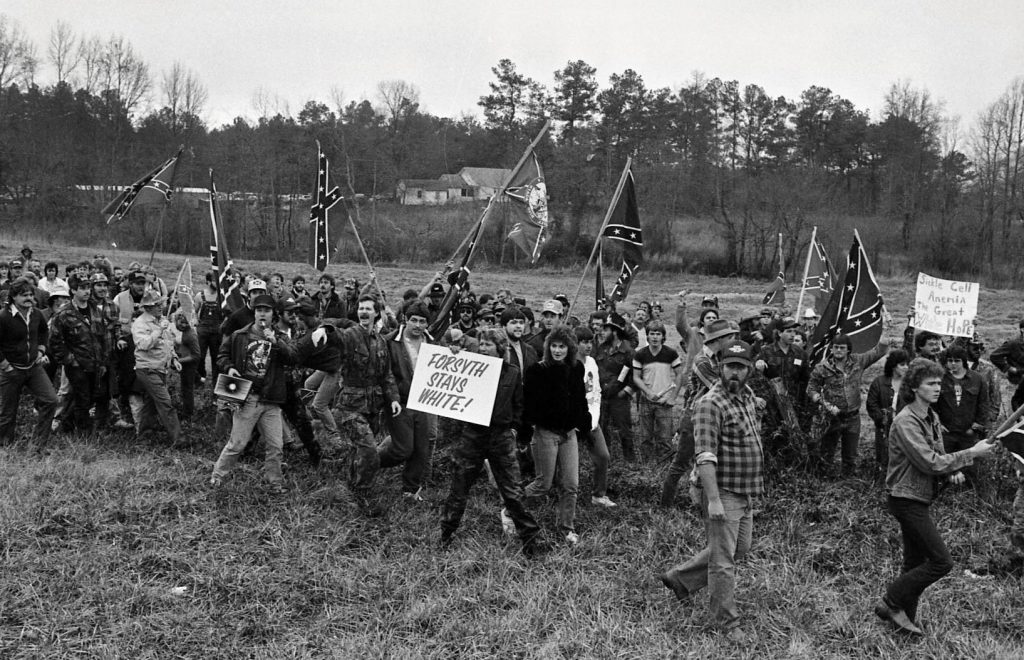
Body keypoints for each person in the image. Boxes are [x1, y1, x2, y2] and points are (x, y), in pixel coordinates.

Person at [875, 358, 996, 637]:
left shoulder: (931, 416)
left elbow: (938, 459)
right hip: (905, 499)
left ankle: (904, 624)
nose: (938, 388)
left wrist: (951, 471)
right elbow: (929, 462)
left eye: (940, 383)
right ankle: (890, 602)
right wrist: (971, 454)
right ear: (915, 387)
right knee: (942, 562)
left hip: (919, 496)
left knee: (913, 564)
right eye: (931, 383)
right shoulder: (906, 421)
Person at [659, 340, 764, 644]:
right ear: (720, 367)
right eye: (730, 366)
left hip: (745, 491)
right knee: (723, 561)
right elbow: (705, 455)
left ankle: (680, 578)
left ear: (748, 372)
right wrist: (714, 499)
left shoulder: (745, 396)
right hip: (724, 492)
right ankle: (726, 622)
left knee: (738, 548)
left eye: (741, 367)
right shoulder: (709, 403)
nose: (735, 372)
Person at [439, 328, 549, 558]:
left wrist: (514, 429)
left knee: (513, 491)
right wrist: (453, 353)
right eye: (481, 344)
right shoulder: (469, 367)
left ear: (500, 348)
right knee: (459, 487)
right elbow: (447, 366)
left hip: (501, 437)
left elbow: (519, 405)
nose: (483, 347)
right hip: (473, 435)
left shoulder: (512, 373)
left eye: (489, 344)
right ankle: (446, 535)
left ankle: (530, 540)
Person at [313, 294, 400, 515]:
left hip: (373, 406)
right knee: (370, 450)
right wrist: (324, 330)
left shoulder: (380, 341)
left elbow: (387, 374)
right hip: (350, 407)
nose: (363, 312)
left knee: (357, 449)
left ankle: (351, 485)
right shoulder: (352, 335)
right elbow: (337, 335)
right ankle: (363, 495)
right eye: (361, 308)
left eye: (368, 309)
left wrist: (394, 399)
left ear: (377, 314)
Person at [211, 294, 299, 494]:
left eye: (266, 311)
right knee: (237, 443)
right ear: (254, 312)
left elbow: (293, 358)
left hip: (271, 399)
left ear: (273, 314)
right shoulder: (240, 335)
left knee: (276, 446)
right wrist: (230, 368)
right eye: (259, 310)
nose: (262, 314)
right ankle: (217, 477)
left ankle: (274, 482)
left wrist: (275, 341)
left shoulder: (281, 337)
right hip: (248, 398)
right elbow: (222, 356)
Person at [523, 325, 590, 545]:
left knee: (570, 484)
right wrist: (528, 429)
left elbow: (580, 399)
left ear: (570, 348)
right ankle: (511, 507)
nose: (557, 350)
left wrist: (583, 425)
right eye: (554, 345)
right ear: (548, 346)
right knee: (544, 483)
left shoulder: (576, 368)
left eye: (562, 346)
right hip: (546, 433)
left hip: (569, 433)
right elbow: (529, 405)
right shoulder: (537, 370)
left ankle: (566, 527)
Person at [661, 319, 737, 507]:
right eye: (730, 337)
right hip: (694, 418)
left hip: (710, 417)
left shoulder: (718, 358)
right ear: (720, 339)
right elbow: (721, 388)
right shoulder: (702, 360)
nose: (733, 341)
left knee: (708, 462)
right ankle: (665, 506)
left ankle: (702, 503)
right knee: (680, 464)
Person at [378, 299, 438, 502]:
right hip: (399, 401)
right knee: (403, 448)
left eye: (422, 321)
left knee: (421, 449)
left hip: (423, 401)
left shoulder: (431, 342)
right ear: (405, 319)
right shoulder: (390, 341)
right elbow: (386, 374)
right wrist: (392, 397)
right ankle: (370, 460)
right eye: (414, 320)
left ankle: (410, 489)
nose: (418, 326)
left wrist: (453, 351)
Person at [807, 333, 889, 477]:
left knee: (850, 454)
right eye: (836, 347)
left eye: (842, 348)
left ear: (848, 350)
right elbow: (811, 388)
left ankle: (848, 479)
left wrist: (886, 332)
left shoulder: (858, 361)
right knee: (827, 452)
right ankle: (824, 480)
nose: (838, 350)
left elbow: (879, 351)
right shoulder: (822, 368)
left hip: (853, 417)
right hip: (832, 417)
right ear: (831, 349)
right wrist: (823, 403)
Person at [0, 277, 58, 450]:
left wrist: (40, 350)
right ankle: (5, 447)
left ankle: (38, 445)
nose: (28, 298)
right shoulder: (3, 317)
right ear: (13, 297)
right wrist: (6, 366)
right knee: (7, 413)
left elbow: (43, 331)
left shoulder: (36, 314)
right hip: (11, 370)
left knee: (51, 400)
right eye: (23, 295)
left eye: (31, 295)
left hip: (33, 368)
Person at [49, 274, 106, 433]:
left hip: (94, 362)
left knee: (91, 396)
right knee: (83, 398)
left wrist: (102, 360)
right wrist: (70, 359)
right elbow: (54, 341)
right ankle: (84, 434)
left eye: (88, 287)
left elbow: (101, 335)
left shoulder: (95, 309)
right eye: (82, 288)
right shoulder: (64, 313)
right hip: (77, 364)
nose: (87, 291)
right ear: (73, 290)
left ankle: (66, 425)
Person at [130, 290, 185, 447]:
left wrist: (174, 358)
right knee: (165, 402)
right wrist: (159, 330)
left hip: (161, 369)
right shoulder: (140, 324)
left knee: (151, 404)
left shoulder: (162, 320)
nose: (161, 306)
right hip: (147, 369)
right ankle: (178, 438)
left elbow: (167, 343)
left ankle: (144, 437)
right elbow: (143, 344)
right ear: (147, 307)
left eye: (161, 303)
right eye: (156, 304)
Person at [936, 345, 990, 493]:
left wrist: (976, 427)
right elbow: (932, 404)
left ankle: (968, 497)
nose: (953, 364)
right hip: (946, 431)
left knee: (969, 468)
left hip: (968, 432)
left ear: (964, 361)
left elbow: (984, 404)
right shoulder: (940, 379)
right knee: (944, 466)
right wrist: (938, 424)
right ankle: (944, 495)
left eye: (957, 360)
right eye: (950, 360)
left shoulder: (977, 379)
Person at [575, 326, 616, 507]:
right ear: (574, 344)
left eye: (590, 341)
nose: (588, 345)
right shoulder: (569, 364)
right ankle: (566, 495)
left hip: (592, 419)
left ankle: (599, 494)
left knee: (603, 456)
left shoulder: (591, 362)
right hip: (574, 422)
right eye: (583, 342)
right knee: (569, 462)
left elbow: (596, 390)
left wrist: (595, 415)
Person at [632, 320, 684, 461]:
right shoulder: (640, 354)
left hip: (664, 401)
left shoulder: (671, 354)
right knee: (645, 436)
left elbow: (680, 374)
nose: (655, 337)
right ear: (647, 336)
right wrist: (648, 392)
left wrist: (673, 397)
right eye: (652, 334)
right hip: (646, 401)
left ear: (663, 336)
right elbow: (636, 377)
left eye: (658, 334)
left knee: (665, 436)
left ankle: (664, 464)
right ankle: (646, 466)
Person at [866, 350, 910, 478]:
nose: (906, 367)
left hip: (904, 428)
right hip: (884, 427)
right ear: (893, 365)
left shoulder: (910, 384)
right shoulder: (879, 382)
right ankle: (881, 481)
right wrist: (881, 419)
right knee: (883, 454)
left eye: (907, 364)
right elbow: (871, 404)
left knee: (903, 455)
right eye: (902, 364)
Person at [195, 271, 224, 383]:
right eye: (213, 280)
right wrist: (195, 321)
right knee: (200, 356)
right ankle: (200, 378)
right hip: (202, 329)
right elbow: (194, 312)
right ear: (207, 281)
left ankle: (216, 381)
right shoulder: (199, 296)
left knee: (216, 356)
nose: (217, 283)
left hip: (217, 330)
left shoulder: (221, 296)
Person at [990, 319, 1024, 411]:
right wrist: (1009, 368)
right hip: (1016, 381)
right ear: (1022, 330)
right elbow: (994, 356)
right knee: (1014, 410)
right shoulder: (1013, 344)